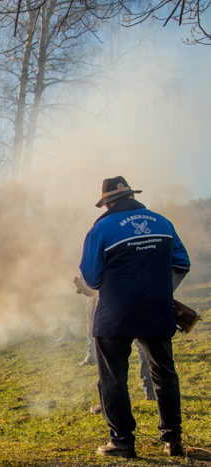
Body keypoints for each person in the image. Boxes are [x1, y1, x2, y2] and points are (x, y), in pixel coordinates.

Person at [79, 176, 190, 459]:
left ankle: (123, 442)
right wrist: (160, 290)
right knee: (164, 373)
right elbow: (181, 263)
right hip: (157, 307)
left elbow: (91, 278)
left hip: (115, 313)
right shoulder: (163, 222)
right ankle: (173, 440)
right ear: (131, 195)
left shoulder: (101, 227)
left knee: (113, 377)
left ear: (108, 202)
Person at [74, 276, 156, 404]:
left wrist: (85, 286)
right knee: (142, 346)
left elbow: (91, 283)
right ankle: (150, 390)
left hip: (109, 304)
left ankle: (111, 402)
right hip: (136, 296)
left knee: (111, 354)